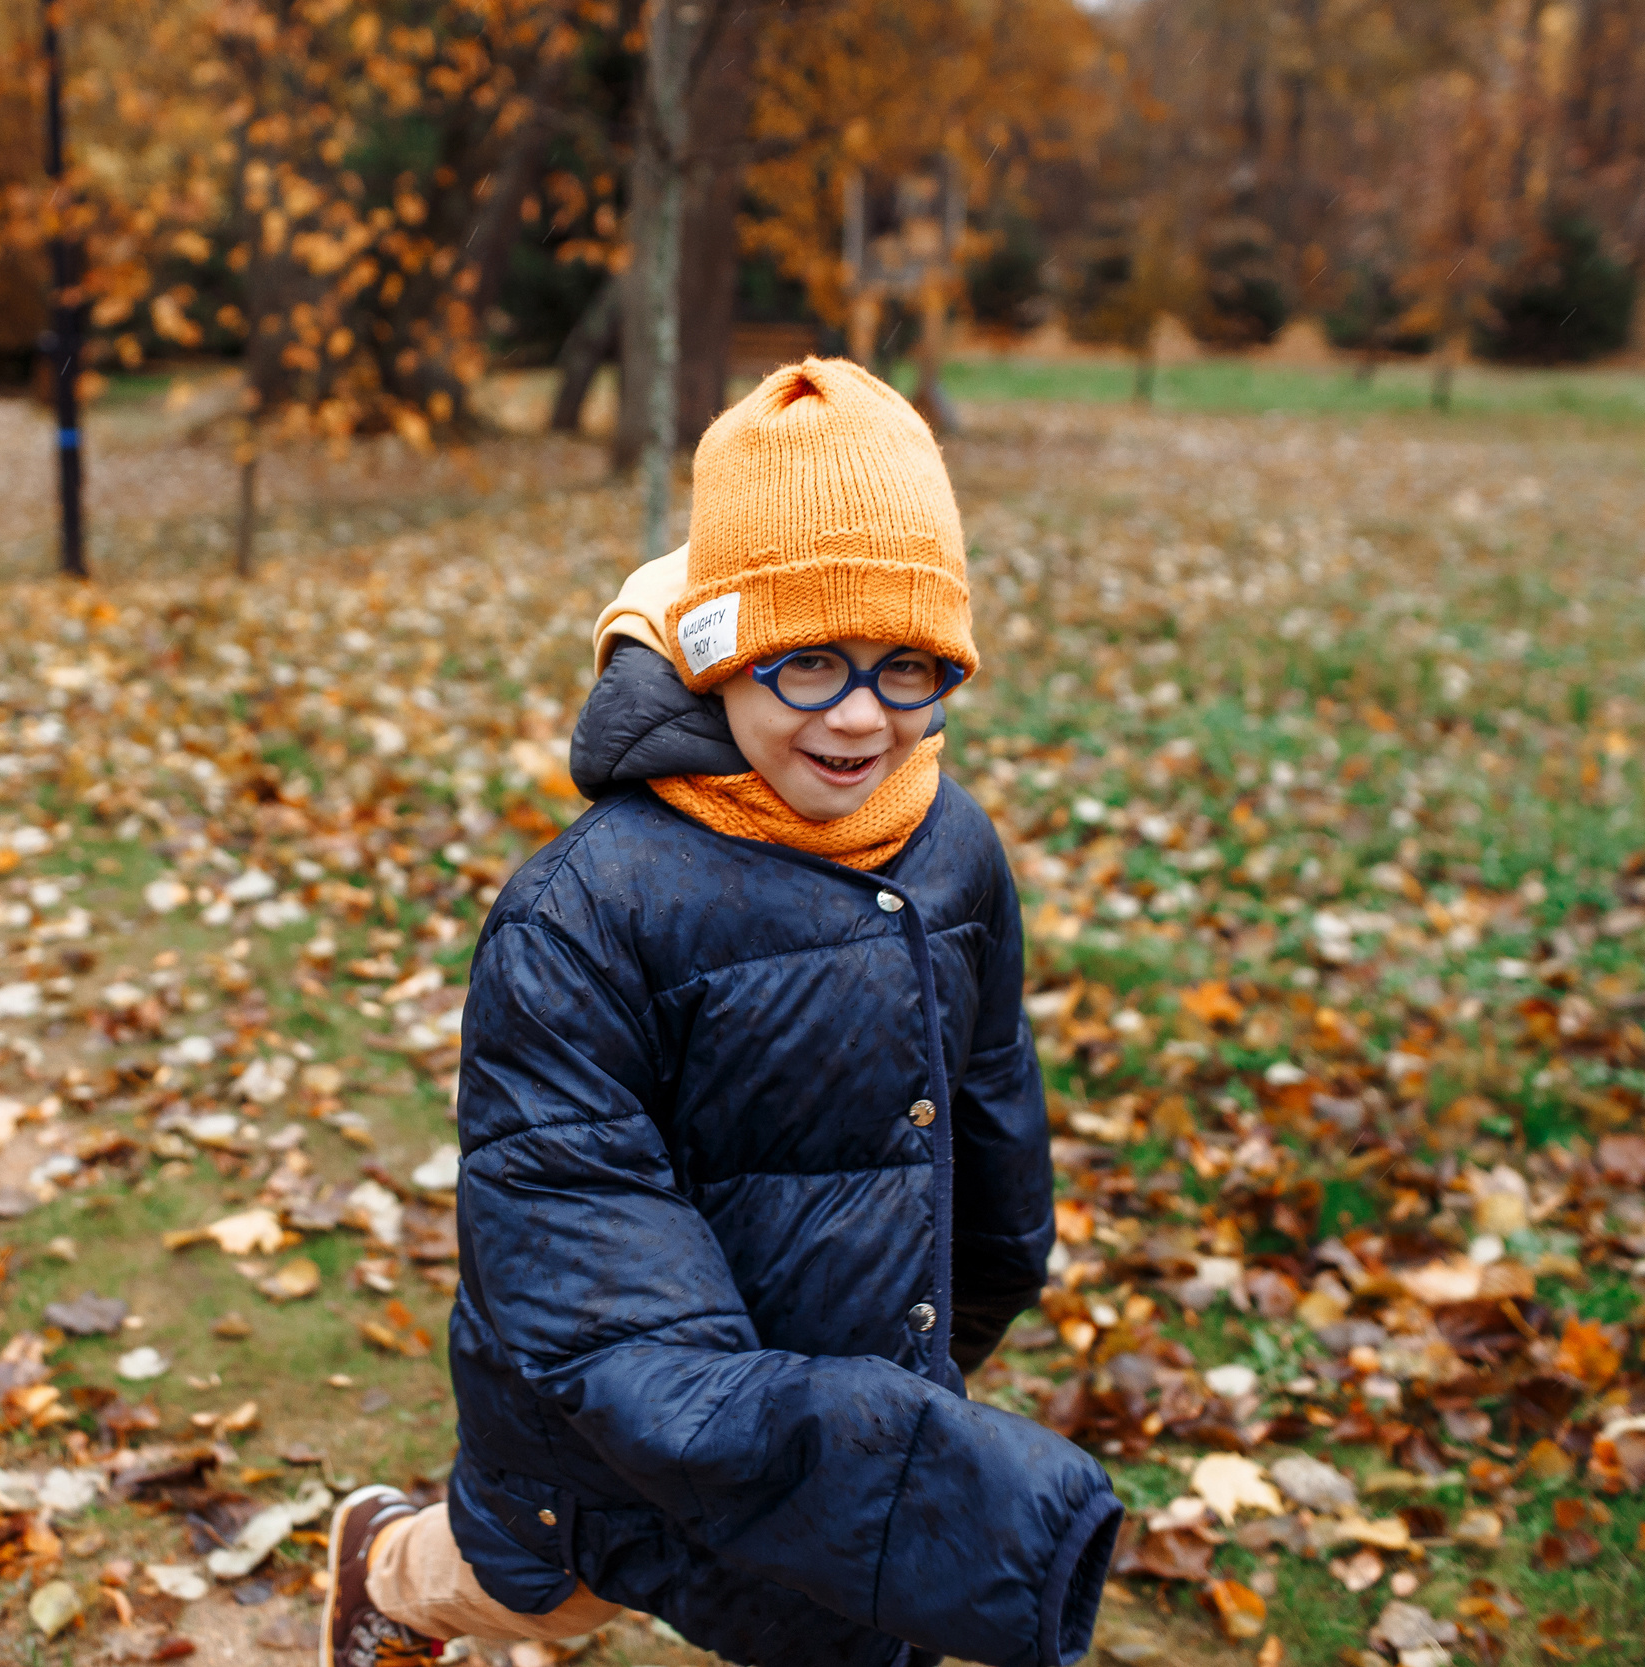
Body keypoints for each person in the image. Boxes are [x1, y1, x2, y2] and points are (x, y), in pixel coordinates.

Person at [321, 358, 1121, 1667]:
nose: (862, 716)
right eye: (808, 662)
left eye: (907, 665)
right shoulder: (585, 917)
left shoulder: (949, 845)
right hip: (625, 1429)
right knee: (532, 1586)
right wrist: (896, 1459)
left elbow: (985, 1114)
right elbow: (596, 1284)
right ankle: (384, 1568)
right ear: (719, 649)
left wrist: (951, 1330)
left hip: (841, 1422)